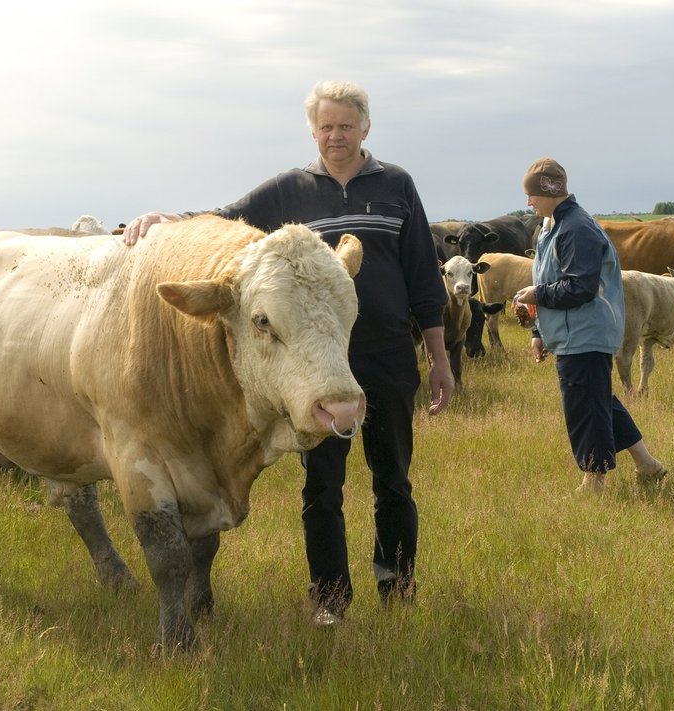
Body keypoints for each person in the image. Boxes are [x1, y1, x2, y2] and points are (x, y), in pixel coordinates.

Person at [123, 80, 453, 624]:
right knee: (322, 486)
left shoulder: (396, 185)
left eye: (346, 125)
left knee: (393, 478)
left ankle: (397, 586)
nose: (335, 136)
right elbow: (224, 216)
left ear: (365, 128)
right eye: (325, 126)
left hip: (386, 354)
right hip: (311, 367)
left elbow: (423, 277)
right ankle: (329, 600)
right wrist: (168, 220)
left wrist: (438, 358)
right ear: (313, 131)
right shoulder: (288, 190)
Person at [512, 157, 668, 492]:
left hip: (585, 332)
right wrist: (539, 331)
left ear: (549, 191)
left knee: (584, 407)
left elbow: (579, 287)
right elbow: (548, 276)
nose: (528, 201)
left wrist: (536, 295)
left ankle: (594, 480)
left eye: (532, 194)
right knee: (600, 401)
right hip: (572, 333)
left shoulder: (576, 229)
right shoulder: (552, 226)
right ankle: (648, 465)